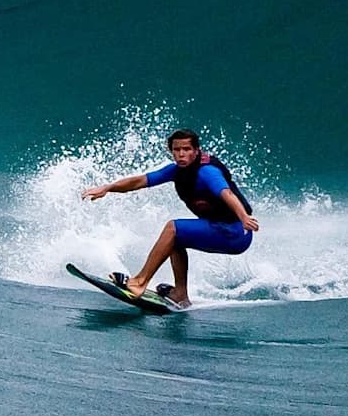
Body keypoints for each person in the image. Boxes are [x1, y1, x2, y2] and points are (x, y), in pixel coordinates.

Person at [81, 128, 259, 308]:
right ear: (171, 151)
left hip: (236, 231)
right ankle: (180, 294)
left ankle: (139, 283)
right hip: (221, 227)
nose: (181, 154)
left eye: (187, 149)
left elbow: (226, 193)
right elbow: (139, 181)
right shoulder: (175, 171)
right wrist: (108, 188)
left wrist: (244, 217)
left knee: (173, 228)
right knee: (175, 239)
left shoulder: (207, 172)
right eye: (177, 149)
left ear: (196, 151)